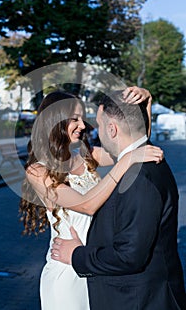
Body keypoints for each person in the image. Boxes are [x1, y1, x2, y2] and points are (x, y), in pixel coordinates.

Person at [19, 87, 163, 310]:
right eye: (75, 119)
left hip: (94, 263)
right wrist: (126, 163)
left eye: (83, 118)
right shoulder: (37, 171)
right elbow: (85, 204)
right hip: (66, 271)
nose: (83, 125)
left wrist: (146, 105)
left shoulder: (86, 155)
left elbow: (132, 146)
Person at [51, 89, 186, 310]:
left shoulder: (140, 175)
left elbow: (129, 256)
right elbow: (133, 142)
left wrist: (76, 255)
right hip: (81, 274)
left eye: (99, 125)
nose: (88, 128)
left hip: (135, 297)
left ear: (112, 129)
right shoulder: (141, 160)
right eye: (75, 119)